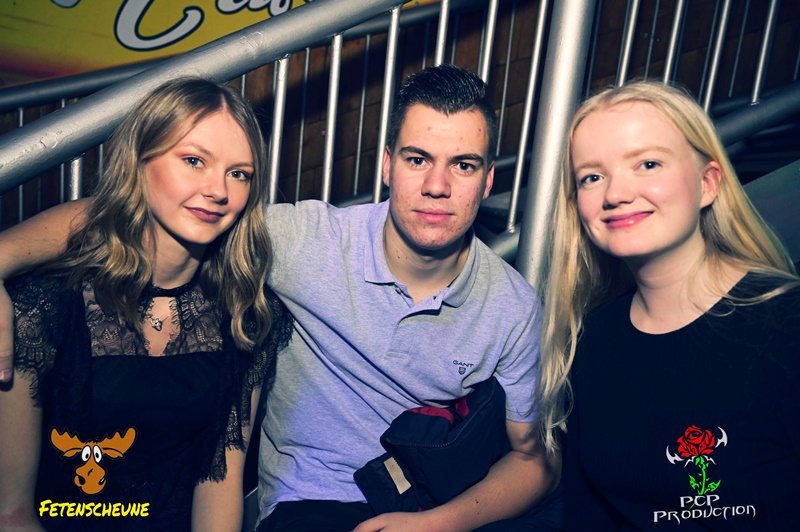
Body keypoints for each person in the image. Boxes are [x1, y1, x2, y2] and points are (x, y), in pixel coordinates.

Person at [0, 65, 561, 531]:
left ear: (488, 181)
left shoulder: (511, 307)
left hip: (437, 501)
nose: (437, 186)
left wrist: (440, 524)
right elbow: (129, 218)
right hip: (315, 501)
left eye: (463, 165)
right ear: (388, 165)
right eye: (418, 159)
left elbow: (534, 458)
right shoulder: (304, 240)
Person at [0, 78, 292, 531]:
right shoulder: (44, 308)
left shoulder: (245, 314)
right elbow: (12, 512)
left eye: (239, 173)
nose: (218, 190)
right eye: (194, 161)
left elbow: (219, 482)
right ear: (140, 161)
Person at [540, 80, 800, 530]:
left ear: (707, 183)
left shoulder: (789, 326)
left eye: (648, 164)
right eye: (592, 177)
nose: (615, 194)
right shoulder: (593, 337)